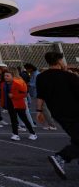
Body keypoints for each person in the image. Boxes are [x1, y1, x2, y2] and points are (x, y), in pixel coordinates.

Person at [36, 52, 79, 180]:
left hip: (58, 113)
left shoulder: (41, 77)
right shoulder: (69, 76)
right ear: (60, 61)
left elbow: (40, 95)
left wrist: (39, 111)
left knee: (76, 137)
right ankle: (61, 157)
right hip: (75, 112)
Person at [0, 68, 37, 141]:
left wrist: (14, 96)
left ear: (12, 76)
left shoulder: (17, 83)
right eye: (5, 76)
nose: (5, 77)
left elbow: (24, 94)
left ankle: (33, 133)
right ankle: (15, 134)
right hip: (10, 104)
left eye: (7, 76)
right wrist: (3, 103)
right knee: (13, 120)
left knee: (24, 119)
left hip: (18, 104)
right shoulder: (3, 84)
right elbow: (3, 95)